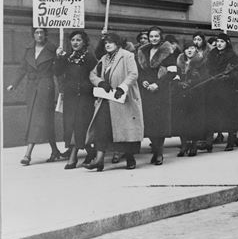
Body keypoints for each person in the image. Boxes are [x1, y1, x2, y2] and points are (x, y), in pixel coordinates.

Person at [7, 28, 67, 165]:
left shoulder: (53, 49)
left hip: (45, 86)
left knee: (37, 118)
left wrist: (59, 57)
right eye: (37, 32)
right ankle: (55, 150)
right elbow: (22, 68)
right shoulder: (29, 49)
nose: (39, 35)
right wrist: (14, 84)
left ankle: (27, 154)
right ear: (33, 35)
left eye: (42, 32)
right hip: (31, 87)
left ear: (46, 34)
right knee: (44, 119)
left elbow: (58, 71)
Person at [85, 32, 144, 171]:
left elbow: (133, 74)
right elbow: (92, 74)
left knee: (125, 129)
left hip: (123, 98)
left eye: (110, 42)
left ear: (117, 43)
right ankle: (99, 160)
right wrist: (100, 83)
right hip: (107, 98)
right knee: (102, 128)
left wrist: (122, 87)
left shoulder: (127, 55)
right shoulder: (104, 59)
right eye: (105, 43)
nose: (108, 45)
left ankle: (130, 158)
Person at [54, 30, 98, 169]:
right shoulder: (67, 56)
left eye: (78, 40)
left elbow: (96, 74)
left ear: (84, 42)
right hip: (70, 96)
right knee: (70, 125)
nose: (75, 43)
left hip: (85, 96)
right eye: (73, 40)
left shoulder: (90, 57)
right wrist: (58, 57)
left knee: (79, 125)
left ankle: (73, 157)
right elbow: (57, 72)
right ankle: (91, 152)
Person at [136, 26, 177, 165]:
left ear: (161, 37)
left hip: (161, 91)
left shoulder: (168, 52)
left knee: (160, 122)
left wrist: (158, 84)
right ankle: (156, 150)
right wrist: (144, 82)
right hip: (147, 92)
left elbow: (172, 72)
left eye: (156, 36)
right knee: (150, 122)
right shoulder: (143, 51)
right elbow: (139, 72)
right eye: (151, 36)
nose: (153, 39)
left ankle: (159, 153)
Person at [171, 41, 209, 157]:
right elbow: (173, 75)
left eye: (192, 48)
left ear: (196, 50)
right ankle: (183, 145)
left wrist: (192, 82)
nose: (189, 50)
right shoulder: (179, 62)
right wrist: (178, 83)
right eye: (187, 48)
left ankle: (193, 145)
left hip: (196, 95)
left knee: (194, 121)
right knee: (182, 121)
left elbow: (205, 78)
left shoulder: (202, 62)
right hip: (181, 95)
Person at [206, 33, 238, 151]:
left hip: (227, 90)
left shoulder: (233, 56)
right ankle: (209, 142)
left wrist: (229, 76)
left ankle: (230, 141)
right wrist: (210, 76)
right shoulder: (212, 54)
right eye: (218, 41)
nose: (219, 44)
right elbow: (207, 68)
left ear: (227, 43)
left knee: (228, 114)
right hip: (213, 88)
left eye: (222, 41)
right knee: (211, 114)